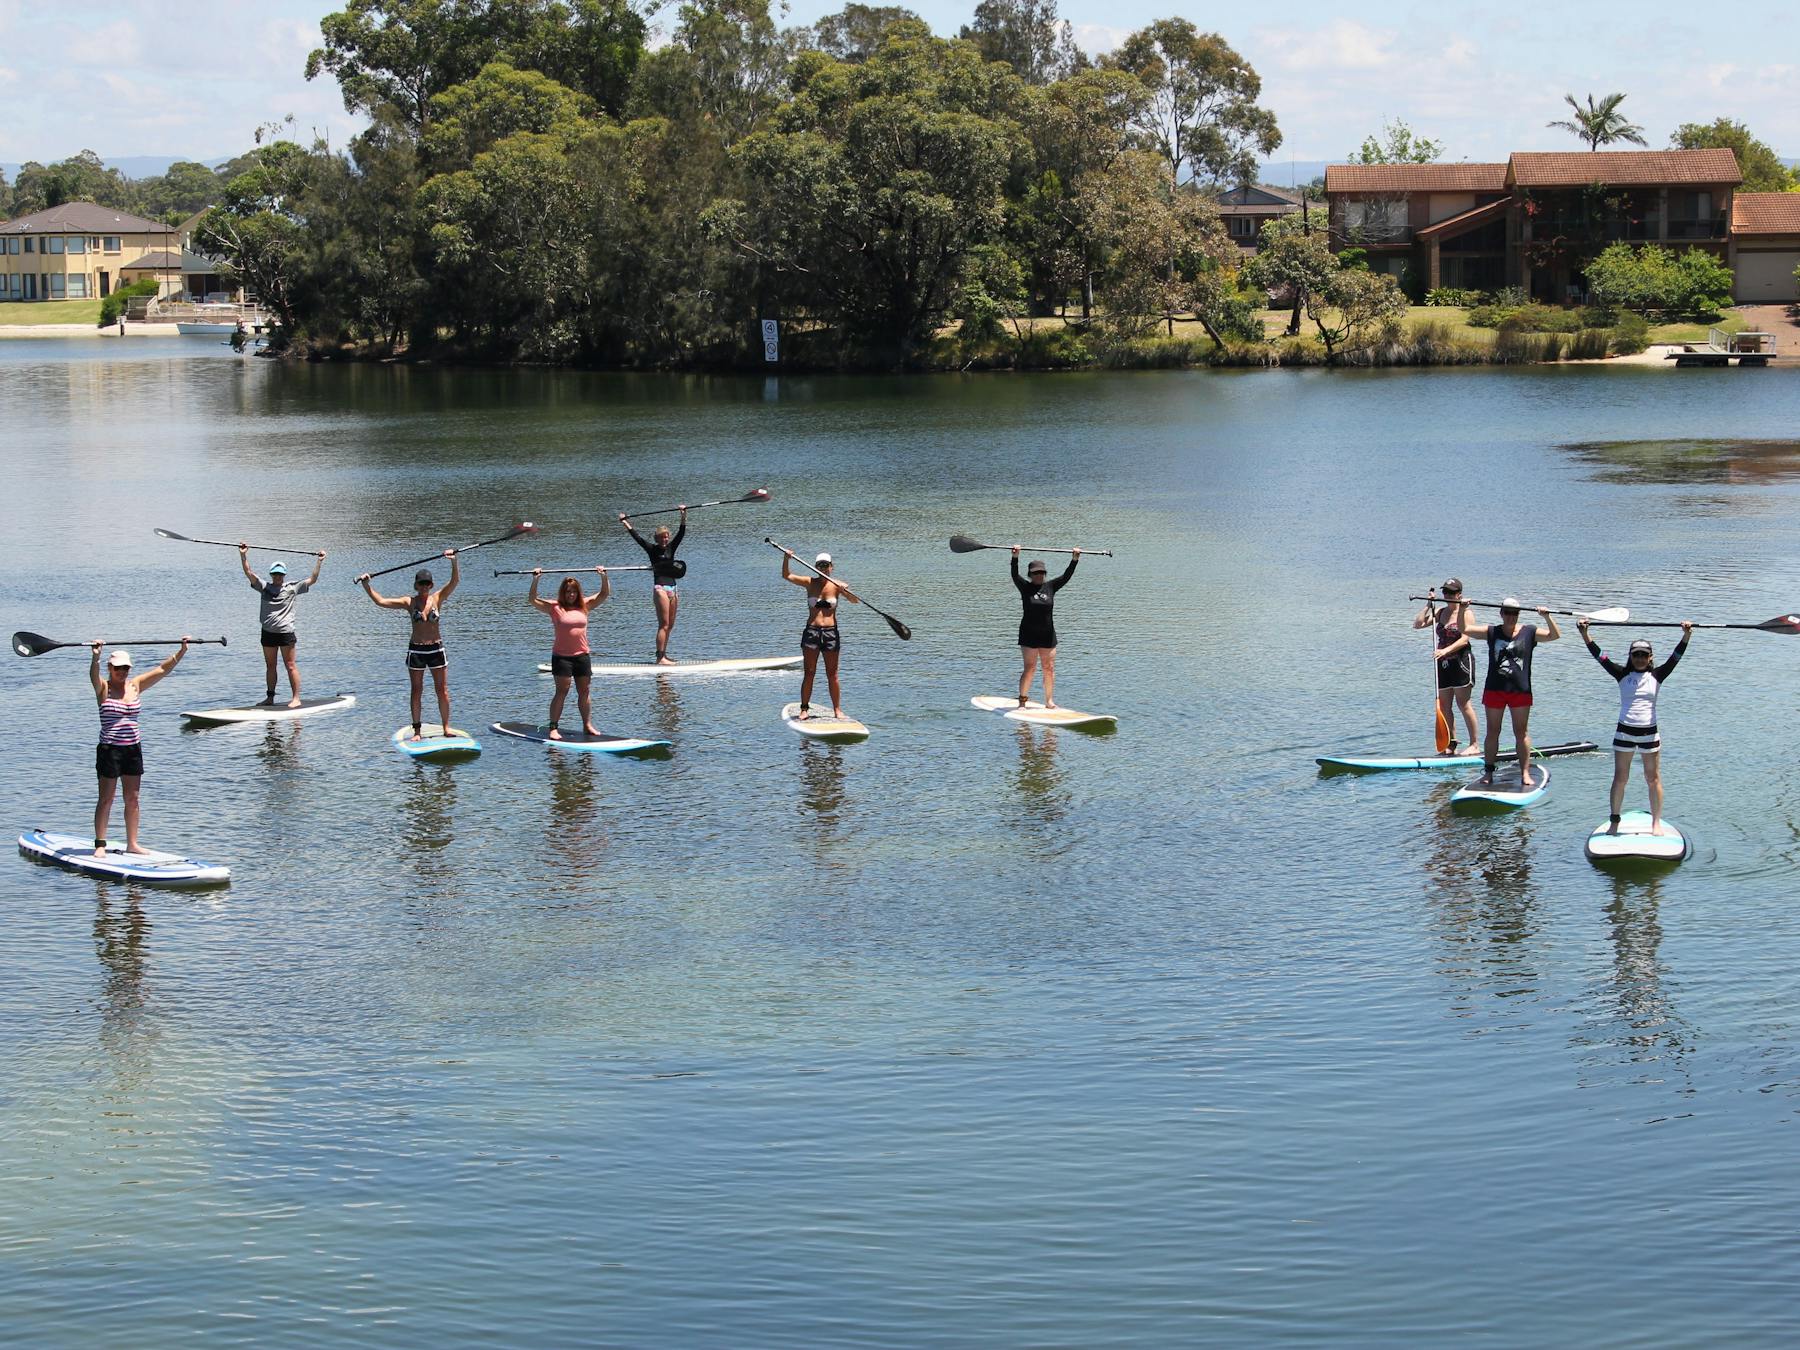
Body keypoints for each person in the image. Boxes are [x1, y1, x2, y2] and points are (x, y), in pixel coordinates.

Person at [1578, 619, 1693, 836]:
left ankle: (1656, 823)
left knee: (1653, 778)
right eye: (1636, 655)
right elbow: (1599, 656)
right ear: (1630, 657)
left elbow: (1676, 657)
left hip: (1649, 734)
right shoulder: (1621, 674)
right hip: (1624, 733)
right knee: (1620, 778)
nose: (1639, 659)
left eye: (1644, 655)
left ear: (1650, 657)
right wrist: (1585, 633)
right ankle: (1614, 821)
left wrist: (1686, 635)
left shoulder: (1658, 675)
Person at [89, 638, 189, 856]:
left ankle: (132, 844)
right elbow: (93, 676)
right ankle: (100, 844)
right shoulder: (103, 688)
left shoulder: (135, 686)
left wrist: (181, 651)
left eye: (125, 668)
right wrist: (96, 656)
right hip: (109, 750)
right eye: (118, 668)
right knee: (106, 798)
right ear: (110, 668)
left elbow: (162, 670)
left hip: (133, 749)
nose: (122, 672)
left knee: (133, 798)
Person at [358, 550, 459, 739]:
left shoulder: (437, 598)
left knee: (442, 689)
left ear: (431, 585)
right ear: (415, 585)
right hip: (417, 650)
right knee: (416, 689)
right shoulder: (408, 602)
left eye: (427, 584)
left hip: (436, 649)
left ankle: (446, 728)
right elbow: (380, 601)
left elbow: (454, 582)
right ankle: (417, 731)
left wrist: (454, 561)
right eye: (421, 584)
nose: (424, 587)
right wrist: (366, 585)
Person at [1462, 596, 1561, 787]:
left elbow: (1554, 635)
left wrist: (1547, 617)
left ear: (1518, 614)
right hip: (1494, 689)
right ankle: (1488, 772)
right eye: (1507, 613)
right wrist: (1463, 610)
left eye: (1514, 613)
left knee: (1521, 732)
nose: (1510, 617)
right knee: (1492, 732)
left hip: (1520, 691)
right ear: (1501, 613)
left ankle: (1525, 773)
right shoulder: (1492, 631)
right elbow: (1465, 629)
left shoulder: (1529, 632)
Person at [240, 544, 325, 707]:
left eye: (280, 574)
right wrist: (243, 555)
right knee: (270, 665)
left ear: (284, 575)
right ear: (271, 574)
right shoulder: (264, 587)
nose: (278, 576)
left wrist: (319, 561)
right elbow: (249, 573)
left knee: (290, 665)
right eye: (275, 574)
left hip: (286, 633)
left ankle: (296, 698)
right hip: (268, 632)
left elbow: (312, 579)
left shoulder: (292, 587)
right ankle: (270, 698)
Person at [529, 568, 610, 738]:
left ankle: (587, 725)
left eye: (573, 591)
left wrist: (603, 576)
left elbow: (603, 594)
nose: (571, 594)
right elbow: (532, 600)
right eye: (567, 592)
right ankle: (553, 728)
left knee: (584, 691)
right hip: (562, 657)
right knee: (562, 692)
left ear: (577, 592)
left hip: (582, 656)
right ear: (563, 593)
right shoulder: (554, 607)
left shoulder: (584, 605)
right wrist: (536, 579)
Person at [781, 549, 859, 719]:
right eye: (820, 565)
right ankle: (804, 709)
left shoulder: (837, 586)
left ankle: (837, 710)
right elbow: (786, 575)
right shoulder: (809, 582)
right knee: (809, 672)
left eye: (826, 565)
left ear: (832, 567)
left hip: (831, 633)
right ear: (815, 566)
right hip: (812, 632)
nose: (823, 568)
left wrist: (846, 591)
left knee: (833, 674)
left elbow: (855, 601)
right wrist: (786, 558)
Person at [1012, 546, 1080, 709]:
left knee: (1048, 668)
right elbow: (1014, 575)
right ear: (1030, 575)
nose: (1039, 575)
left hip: (1048, 635)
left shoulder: (1051, 587)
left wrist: (1075, 559)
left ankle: (1049, 701)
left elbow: (1066, 576)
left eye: (1041, 572)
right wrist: (1015, 557)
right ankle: (1022, 701)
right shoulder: (1025, 587)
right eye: (1035, 573)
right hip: (1028, 635)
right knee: (1030, 668)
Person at [1413, 578, 1476, 754]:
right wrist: (1428, 605)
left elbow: (1465, 639)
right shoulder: (1440, 612)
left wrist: (1445, 650)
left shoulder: (1466, 613)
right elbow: (1417, 624)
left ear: (1459, 595)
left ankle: (1474, 744)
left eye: (1451, 593)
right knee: (1444, 705)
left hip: (1461, 662)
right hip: (1443, 664)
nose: (1447, 596)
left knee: (1463, 704)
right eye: (1445, 592)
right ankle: (1451, 743)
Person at [619, 507, 686, 665]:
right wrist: (625, 522)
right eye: (662, 537)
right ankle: (659, 657)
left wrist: (683, 514)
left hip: (673, 589)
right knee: (663, 624)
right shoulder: (652, 549)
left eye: (666, 537)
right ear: (657, 538)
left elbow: (681, 533)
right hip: (661, 588)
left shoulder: (671, 548)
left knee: (670, 625)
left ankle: (664, 655)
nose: (665, 539)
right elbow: (637, 538)